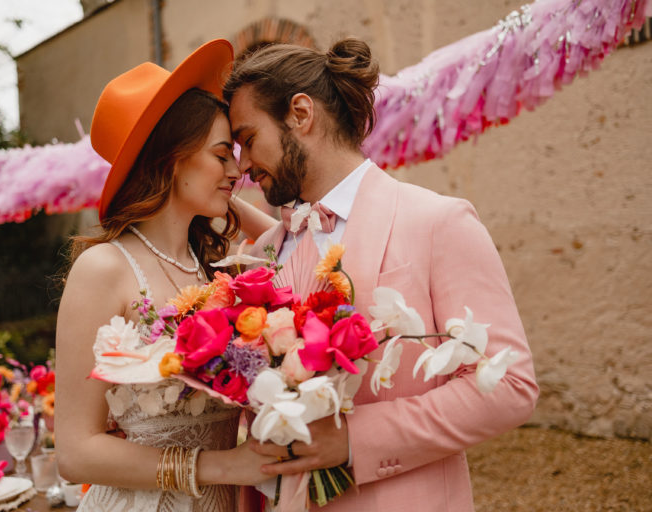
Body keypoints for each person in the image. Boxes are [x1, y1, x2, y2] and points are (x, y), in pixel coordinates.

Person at [224, 37, 539, 511]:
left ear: (300, 114)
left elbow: (511, 386)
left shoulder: (437, 221)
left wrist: (354, 440)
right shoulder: (265, 251)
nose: (244, 165)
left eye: (248, 139)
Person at [55, 39, 276, 512]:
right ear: (172, 158)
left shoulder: (217, 270)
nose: (238, 170)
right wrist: (221, 467)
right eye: (222, 155)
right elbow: (74, 452)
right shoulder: (104, 270)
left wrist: (214, 187)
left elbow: (292, 246)